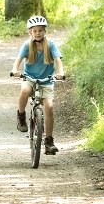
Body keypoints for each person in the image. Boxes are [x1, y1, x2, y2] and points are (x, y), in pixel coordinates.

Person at [9, 15, 66, 154]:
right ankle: (21, 116)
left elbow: (58, 60)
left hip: (46, 80)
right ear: (30, 32)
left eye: (40, 30)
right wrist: (15, 69)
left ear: (45, 31)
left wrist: (60, 72)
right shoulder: (27, 45)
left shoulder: (50, 45)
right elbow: (19, 59)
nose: (38, 33)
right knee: (25, 91)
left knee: (49, 107)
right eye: (35, 31)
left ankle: (49, 141)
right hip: (29, 78)